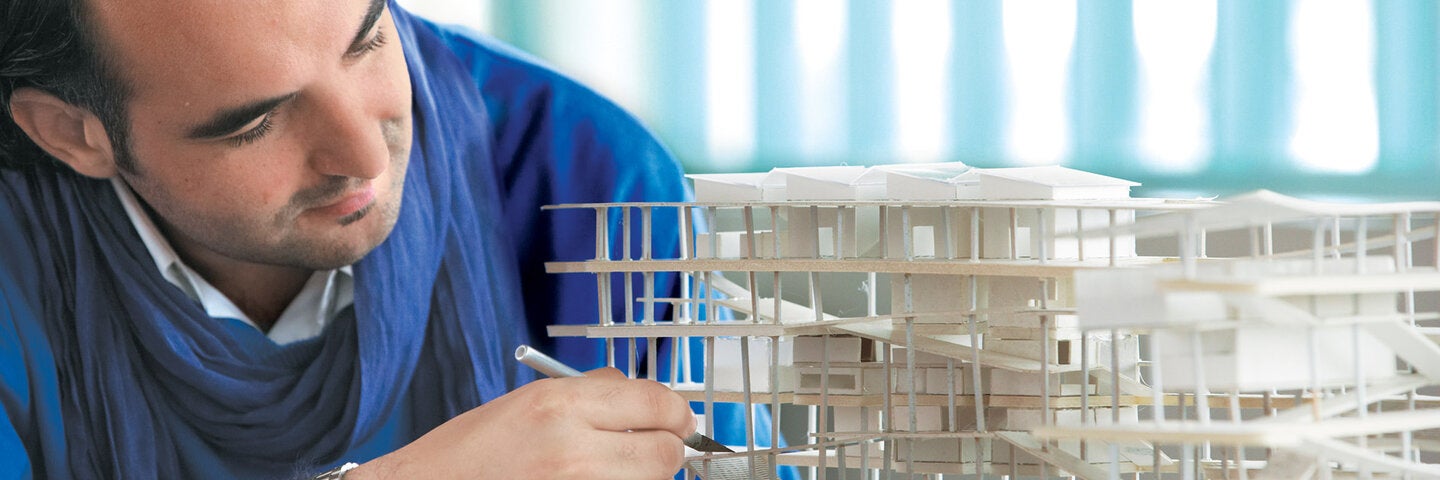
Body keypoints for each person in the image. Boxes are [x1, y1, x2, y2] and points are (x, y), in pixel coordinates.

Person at [0, 0, 736, 477]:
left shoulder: (588, 177)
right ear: (71, 133)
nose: (365, 158)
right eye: (255, 123)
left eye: (368, 42)